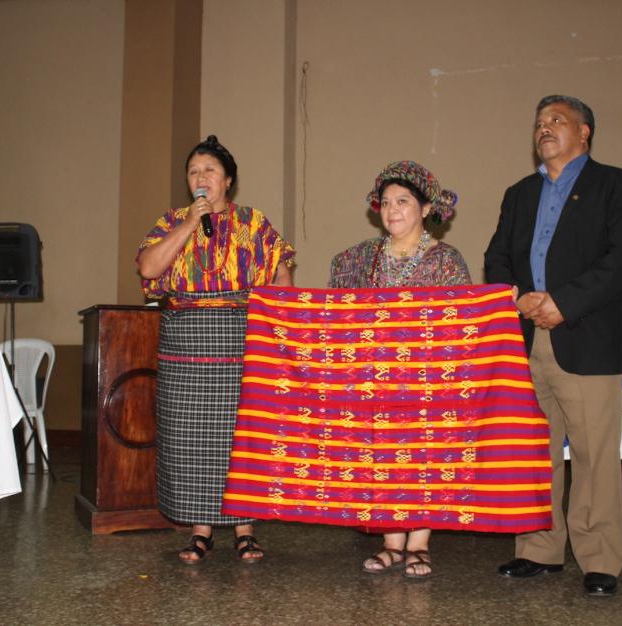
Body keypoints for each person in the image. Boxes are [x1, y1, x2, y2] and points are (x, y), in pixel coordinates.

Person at [484, 95, 622, 596]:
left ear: (584, 132)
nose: (544, 128)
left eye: (556, 120)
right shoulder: (519, 193)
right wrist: (517, 298)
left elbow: (620, 260)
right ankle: (539, 549)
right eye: (539, 123)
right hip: (526, 339)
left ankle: (600, 559)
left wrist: (563, 303)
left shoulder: (619, 186)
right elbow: (497, 255)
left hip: (586, 337)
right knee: (536, 452)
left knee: (595, 456)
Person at [136, 135, 295, 564]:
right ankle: (200, 530)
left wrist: (277, 332)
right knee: (190, 438)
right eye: (193, 172)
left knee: (239, 438)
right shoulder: (172, 221)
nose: (201, 177)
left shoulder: (253, 223)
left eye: (209, 170)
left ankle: (246, 530)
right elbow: (148, 267)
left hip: (241, 340)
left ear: (228, 180)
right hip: (185, 344)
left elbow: (282, 280)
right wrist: (189, 224)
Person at [329, 160, 471, 579]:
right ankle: (391, 543)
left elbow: (461, 319)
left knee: (423, 456)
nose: (392, 210)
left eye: (403, 201)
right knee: (383, 456)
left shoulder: (446, 261)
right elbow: (340, 312)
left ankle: (419, 544)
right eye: (387, 202)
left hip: (427, 378)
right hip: (377, 377)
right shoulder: (360, 259)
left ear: (425, 208)